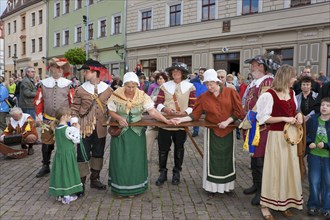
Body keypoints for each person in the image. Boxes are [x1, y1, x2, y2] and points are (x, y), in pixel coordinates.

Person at [172, 69, 244, 196]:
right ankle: (211, 188)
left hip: (228, 130)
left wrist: (227, 121)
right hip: (212, 131)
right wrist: (181, 119)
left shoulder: (230, 92)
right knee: (212, 159)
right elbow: (195, 114)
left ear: (218, 82)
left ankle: (227, 187)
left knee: (227, 159)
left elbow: (238, 112)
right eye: (207, 84)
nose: (209, 87)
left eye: (211, 84)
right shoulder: (204, 97)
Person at [107, 72, 172, 197]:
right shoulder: (116, 95)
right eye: (128, 86)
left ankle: (134, 188)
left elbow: (152, 111)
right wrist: (119, 118)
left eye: (133, 86)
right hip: (121, 133)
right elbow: (111, 111)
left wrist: (165, 120)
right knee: (121, 160)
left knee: (135, 160)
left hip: (136, 134)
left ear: (137, 85)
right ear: (124, 85)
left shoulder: (142, 96)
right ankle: (120, 188)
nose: (131, 89)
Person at [256, 64, 303, 219]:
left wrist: (299, 114)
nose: (295, 79)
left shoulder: (291, 92)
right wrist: (283, 118)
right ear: (285, 76)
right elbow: (262, 118)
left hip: (291, 137)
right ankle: (266, 206)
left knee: (288, 170)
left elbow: (294, 110)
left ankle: (284, 202)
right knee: (274, 170)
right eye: (293, 76)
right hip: (276, 137)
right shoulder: (269, 94)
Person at [241, 53, 279, 206]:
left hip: (261, 127)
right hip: (253, 124)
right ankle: (256, 184)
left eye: (254, 65)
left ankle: (262, 191)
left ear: (261, 67)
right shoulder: (256, 82)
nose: (251, 67)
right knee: (254, 157)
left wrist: (249, 117)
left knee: (259, 159)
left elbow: (262, 105)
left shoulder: (267, 81)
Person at [71, 59, 113, 195]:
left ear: (95, 72)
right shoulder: (81, 89)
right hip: (84, 127)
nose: (84, 74)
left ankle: (95, 180)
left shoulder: (108, 90)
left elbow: (112, 107)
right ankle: (80, 183)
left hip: (100, 127)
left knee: (98, 154)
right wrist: (74, 122)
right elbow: (75, 107)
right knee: (82, 155)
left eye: (87, 71)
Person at [154, 62, 196, 186]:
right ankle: (162, 173)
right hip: (165, 121)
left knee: (179, 148)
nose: (175, 73)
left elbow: (193, 105)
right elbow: (158, 103)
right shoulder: (165, 86)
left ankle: (177, 172)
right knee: (163, 149)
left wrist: (184, 113)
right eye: (173, 71)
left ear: (183, 73)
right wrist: (166, 110)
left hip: (180, 123)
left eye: (178, 71)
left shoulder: (190, 87)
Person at [34, 57, 74, 178]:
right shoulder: (43, 83)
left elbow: (72, 101)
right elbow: (38, 101)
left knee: (65, 143)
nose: (60, 70)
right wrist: (39, 115)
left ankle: (65, 166)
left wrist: (73, 119)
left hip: (63, 120)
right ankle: (45, 165)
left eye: (61, 68)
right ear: (51, 68)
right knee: (46, 144)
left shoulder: (68, 84)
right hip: (47, 119)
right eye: (57, 67)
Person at [48, 107, 83, 204]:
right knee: (68, 173)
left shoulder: (56, 128)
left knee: (60, 173)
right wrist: (78, 128)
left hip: (59, 155)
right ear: (64, 116)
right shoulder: (68, 129)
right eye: (69, 115)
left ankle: (60, 194)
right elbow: (77, 140)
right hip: (68, 155)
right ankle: (67, 195)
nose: (71, 117)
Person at [305, 97, 330, 217]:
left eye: (328, 105)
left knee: (328, 182)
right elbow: (306, 134)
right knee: (314, 181)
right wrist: (309, 142)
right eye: (323, 105)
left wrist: (326, 145)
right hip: (314, 156)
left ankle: (327, 207)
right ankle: (313, 205)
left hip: (327, 158)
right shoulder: (313, 119)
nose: (324, 107)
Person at [145, 72, 168, 161]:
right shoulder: (155, 89)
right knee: (148, 137)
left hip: (164, 117)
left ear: (165, 79)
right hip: (154, 116)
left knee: (163, 142)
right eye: (158, 78)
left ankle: (162, 161)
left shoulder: (168, 89)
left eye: (161, 78)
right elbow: (149, 99)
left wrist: (156, 99)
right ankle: (146, 158)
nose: (159, 80)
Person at [190, 67, 207, 137]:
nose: (200, 74)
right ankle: (195, 131)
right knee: (196, 117)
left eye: (202, 73)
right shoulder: (195, 81)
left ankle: (207, 131)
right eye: (199, 72)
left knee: (207, 117)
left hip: (206, 103)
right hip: (196, 102)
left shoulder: (207, 82)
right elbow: (189, 83)